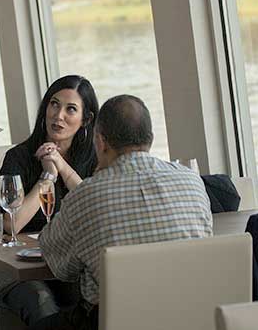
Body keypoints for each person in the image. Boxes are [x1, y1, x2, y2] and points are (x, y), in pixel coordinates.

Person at [34, 95, 213, 330]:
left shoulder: (86, 195)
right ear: (150, 138)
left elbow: (60, 265)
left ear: (100, 142)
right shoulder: (192, 181)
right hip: (193, 317)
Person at [0, 75, 99, 326]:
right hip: (17, 269)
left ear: (86, 119)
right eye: (54, 104)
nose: (58, 116)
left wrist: (63, 168)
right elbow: (11, 225)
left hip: (69, 266)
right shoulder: (19, 157)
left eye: (71, 109)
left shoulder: (94, 159)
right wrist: (48, 176)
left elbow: (95, 211)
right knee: (41, 301)